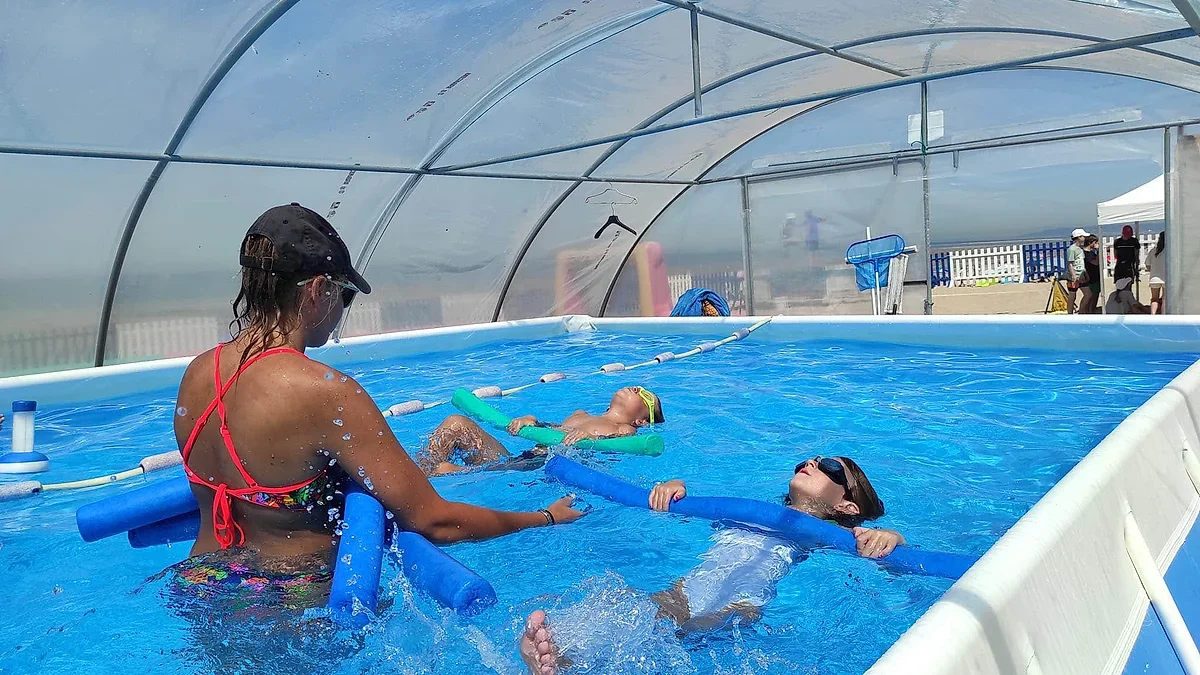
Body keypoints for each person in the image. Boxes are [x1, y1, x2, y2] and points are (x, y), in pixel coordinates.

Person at [173, 203, 582, 598]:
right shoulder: (325, 391)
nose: (342, 310)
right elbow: (432, 520)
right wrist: (544, 517)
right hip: (292, 597)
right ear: (317, 290)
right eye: (345, 295)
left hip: (203, 585)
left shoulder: (198, 373)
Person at [518, 455, 903, 674]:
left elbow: (895, 561)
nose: (812, 462)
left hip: (744, 603)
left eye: (830, 467)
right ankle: (565, 659)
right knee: (639, 610)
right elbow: (688, 513)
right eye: (808, 460)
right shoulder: (742, 509)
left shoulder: (836, 534)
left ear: (846, 505)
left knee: (687, 632)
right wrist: (673, 489)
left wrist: (891, 539)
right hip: (688, 588)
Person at [419, 386, 664, 476]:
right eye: (638, 387)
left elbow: (614, 447)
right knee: (456, 422)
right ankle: (419, 471)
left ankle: (441, 475)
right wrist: (530, 421)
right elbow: (549, 432)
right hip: (524, 458)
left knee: (444, 470)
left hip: (537, 469)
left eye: (645, 396)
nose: (636, 389)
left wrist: (592, 439)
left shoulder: (624, 429)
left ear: (642, 421)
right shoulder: (580, 414)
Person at [1065, 228, 1089, 314]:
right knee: (1072, 295)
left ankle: (1081, 312)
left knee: (1088, 294)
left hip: (1081, 275)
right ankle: (1070, 313)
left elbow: (1081, 262)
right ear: (1079, 237)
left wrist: (1085, 273)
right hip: (1073, 276)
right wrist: (1074, 276)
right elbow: (1070, 263)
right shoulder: (1072, 249)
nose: (1084, 238)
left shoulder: (1080, 249)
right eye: (1083, 236)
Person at [1082, 234, 1102, 314]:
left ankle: (1091, 310)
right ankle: (1090, 311)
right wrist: (1098, 251)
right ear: (1091, 242)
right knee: (1092, 295)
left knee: (1095, 294)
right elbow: (1096, 262)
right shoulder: (1086, 253)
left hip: (1095, 275)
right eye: (1095, 242)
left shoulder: (1091, 252)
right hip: (1091, 276)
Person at [1148, 231, 1166, 314]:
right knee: (1165, 298)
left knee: (1154, 299)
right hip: (1165, 278)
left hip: (1154, 278)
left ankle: (1153, 315)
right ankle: (1163, 315)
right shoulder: (1169, 251)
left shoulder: (1153, 251)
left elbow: (1147, 265)